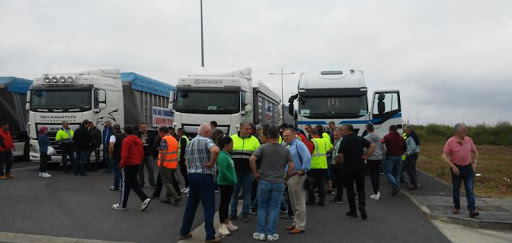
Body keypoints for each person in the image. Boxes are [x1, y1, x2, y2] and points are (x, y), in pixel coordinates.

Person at [250, 125, 294, 241]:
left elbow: (252, 159)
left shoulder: (263, 148)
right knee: (274, 208)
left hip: (264, 180)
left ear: (268, 135)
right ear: (279, 136)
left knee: (262, 207)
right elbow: (291, 166)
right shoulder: (285, 149)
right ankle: (271, 233)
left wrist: (255, 173)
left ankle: (260, 232)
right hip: (279, 181)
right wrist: (286, 178)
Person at [179, 123, 221, 243]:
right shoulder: (207, 141)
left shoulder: (190, 143)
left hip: (192, 176)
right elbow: (215, 150)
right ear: (208, 133)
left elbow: (186, 161)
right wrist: (211, 163)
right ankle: (210, 236)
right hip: (205, 176)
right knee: (208, 207)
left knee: (191, 205)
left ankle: (184, 231)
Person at [336, 124, 375, 220]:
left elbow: (340, 155)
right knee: (360, 188)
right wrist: (366, 156)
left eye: (343, 130)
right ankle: (362, 204)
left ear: (346, 130)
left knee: (349, 189)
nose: (342, 132)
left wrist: (339, 163)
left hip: (348, 167)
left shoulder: (344, 140)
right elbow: (372, 146)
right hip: (360, 166)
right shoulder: (359, 139)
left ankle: (353, 210)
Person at [442, 123, 480, 218]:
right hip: (456, 168)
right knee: (456, 189)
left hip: (468, 168)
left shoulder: (468, 140)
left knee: (470, 189)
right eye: (464, 130)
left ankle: (472, 209)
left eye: (466, 130)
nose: (466, 132)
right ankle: (456, 206)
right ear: (458, 131)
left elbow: (476, 152)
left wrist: (475, 162)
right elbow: (444, 156)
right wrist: (453, 166)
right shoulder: (450, 141)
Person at [112, 125, 152, 211]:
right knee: (133, 182)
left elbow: (124, 154)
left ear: (125, 131)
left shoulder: (126, 140)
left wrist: (121, 164)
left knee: (125, 184)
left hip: (128, 164)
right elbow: (142, 152)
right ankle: (144, 198)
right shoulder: (138, 139)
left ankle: (122, 204)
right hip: (136, 163)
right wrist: (139, 160)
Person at [229, 122, 260, 222]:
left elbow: (259, 156)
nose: (249, 131)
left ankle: (245, 214)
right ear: (241, 129)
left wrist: (257, 170)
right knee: (234, 193)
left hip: (249, 172)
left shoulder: (255, 140)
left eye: (249, 129)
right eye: (246, 129)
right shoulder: (232, 138)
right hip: (235, 171)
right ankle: (233, 214)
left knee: (247, 193)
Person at [283, 128, 311, 234]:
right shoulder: (290, 146)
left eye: (287, 136)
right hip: (291, 176)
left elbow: (307, 156)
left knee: (299, 202)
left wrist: (303, 169)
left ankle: (300, 225)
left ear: (294, 135)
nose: (285, 138)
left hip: (297, 176)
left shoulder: (299, 144)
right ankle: (296, 222)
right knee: (293, 201)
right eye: (284, 136)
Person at [217, 136, 239, 236]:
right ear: (226, 145)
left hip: (229, 183)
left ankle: (226, 222)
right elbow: (223, 170)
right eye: (231, 144)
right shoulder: (222, 156)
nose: (232, 146)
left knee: (226, 203)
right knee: (224, 204)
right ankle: (222, 224)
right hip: (225, 183)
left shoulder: (226, 155)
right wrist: (231, 179)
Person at [156, 126, 181, 205]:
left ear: (162, 132)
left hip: (166, 163)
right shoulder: (173, 139)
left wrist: (162, 162)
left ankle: (176, 196)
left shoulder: (164, 139)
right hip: (173, 163)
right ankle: (168, 198)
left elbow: (163, 152)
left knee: (166, 182)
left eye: (159, 133)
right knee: (169, 181)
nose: (159, 134)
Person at [306, 128, 329, 207]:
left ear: (311, 134)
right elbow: (330, 148)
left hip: (313, 166)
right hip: (323, 165)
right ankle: (322, 201)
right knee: (321, 184)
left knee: (310, 184)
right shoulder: (323, 141)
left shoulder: (312, 142)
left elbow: (308, 154)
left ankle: (311, 200)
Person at [382, 125, 407, 196]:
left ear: (390, 130)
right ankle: (396, 187)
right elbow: (405, 148)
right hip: (399, 157)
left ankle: (395, 186)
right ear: (396, 130)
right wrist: (400, 153)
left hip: (390, 157)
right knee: (397, 173)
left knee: (387, 172)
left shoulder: (387, 137)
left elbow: (382, 144)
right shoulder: (401, 138)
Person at [364, 124, 386, 200]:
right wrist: (382, 155)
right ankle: (377, 192)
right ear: (373, 129)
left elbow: (364, 149)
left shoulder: (366, 138)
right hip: (379, 158)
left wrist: (365, 155)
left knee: (372, 176)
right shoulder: (380, 137)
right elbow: (385, 149)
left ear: (367, 129)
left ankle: (376, 193)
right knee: (377, 175)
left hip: (371, 158)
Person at [137, 122, 156, 188]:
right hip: (140, 154)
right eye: (143, 127)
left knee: (151, 169)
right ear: (139, 127)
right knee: (140, 169)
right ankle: (141, 182)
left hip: (148, 154)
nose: (144, 128)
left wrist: (150, 151)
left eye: (145, 127)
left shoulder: (150, 134)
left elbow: (153, 143)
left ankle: (152, 183)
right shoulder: (137, 135)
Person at [330, 127, 345, 203]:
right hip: (337, 164)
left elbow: (339, 156)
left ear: (340, 134)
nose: (335, 136)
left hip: (338, 165)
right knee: (341, 182)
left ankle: (339, 198)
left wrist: (336, 164)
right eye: (334, 135)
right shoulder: (336, 142)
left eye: (336, 135)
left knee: (339, 182)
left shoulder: (340, 143)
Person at [109, 124, 125, 191]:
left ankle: (116, 186)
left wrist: (110, 154)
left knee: (116, 171)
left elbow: (111, 146)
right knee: (123, 172)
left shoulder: (113, 136)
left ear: (114, 129)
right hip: (124, 155)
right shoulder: (124, 135)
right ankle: (124, 185)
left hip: (116, 156)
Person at [404, 125, 421, 190]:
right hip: (415, 154)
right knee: (412, 168)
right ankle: (415, 183)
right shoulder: (414, 135)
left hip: (412, 154)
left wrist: (409, 153)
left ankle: (413, 184)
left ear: (409, 130)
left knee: (409, 169)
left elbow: (413, 147)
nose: (405, 131)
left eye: (405, 130)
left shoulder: (411, 136)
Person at [177, 128, 190, 193]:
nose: (177, 133)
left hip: (183, 158)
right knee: (184, 173)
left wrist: (181, 159)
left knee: (185, 173)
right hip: (184, 158)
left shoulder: (183, 139)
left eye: (177, 132)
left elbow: (183, 149)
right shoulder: (185, 138)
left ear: (180, 132)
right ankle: (186, 186)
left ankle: (188, 187)